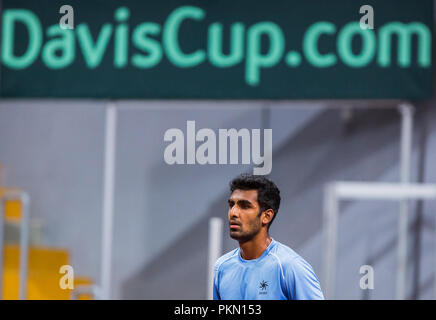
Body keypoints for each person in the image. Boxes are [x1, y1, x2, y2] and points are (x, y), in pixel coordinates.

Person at [213, 174, 324, 300]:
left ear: (266, 216)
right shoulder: (222, 267)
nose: (233, 213)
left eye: (245, 206)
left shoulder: (290, 267)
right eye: (231, 205)